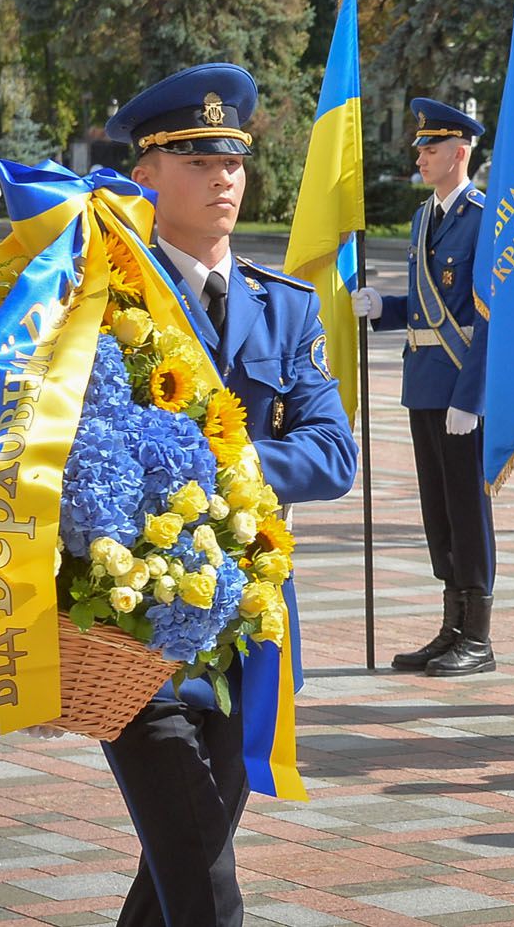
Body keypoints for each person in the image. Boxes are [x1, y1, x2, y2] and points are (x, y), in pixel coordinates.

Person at [102, 62, 359, 925]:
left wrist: (208, 455)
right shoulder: (103, 302)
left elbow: (333, 455)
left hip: (250, 621)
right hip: (136, 622)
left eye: (234, 161)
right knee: (206, 881)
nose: (222, 178)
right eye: (196, 159)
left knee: (176, 873)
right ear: (146, 175)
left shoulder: (283, 307)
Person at [351, 98, 496, 675]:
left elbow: (491, 314)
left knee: (467, 508)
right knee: (438, 511)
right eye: (420, 147)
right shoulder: (423, 217)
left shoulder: (485, 218)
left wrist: (473, 396)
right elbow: (424, 302)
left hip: (461, 386)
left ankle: (478, 637)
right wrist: (383, 308)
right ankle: (451, 626)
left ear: (460, 153)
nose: (420, 155)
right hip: (423, 382)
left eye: (430, 147)